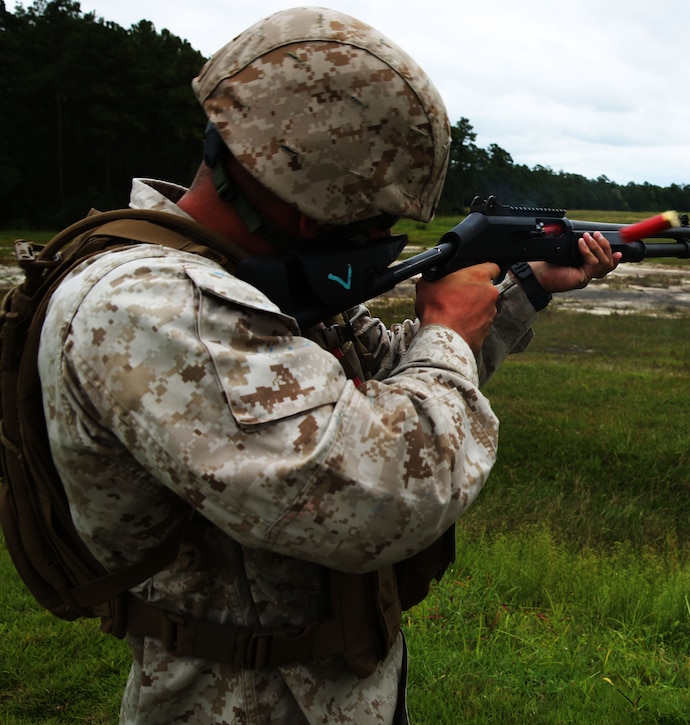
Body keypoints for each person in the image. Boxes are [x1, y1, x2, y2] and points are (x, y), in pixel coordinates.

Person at [37, 7, 619, 723]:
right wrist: (443, 329)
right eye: (376, 227)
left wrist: (518, 293)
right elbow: (385, 494)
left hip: (330, 687)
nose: (379, 246)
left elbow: (393, 380)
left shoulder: (247, 283)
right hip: (233, 702)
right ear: (318, 211)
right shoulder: (154, 309)